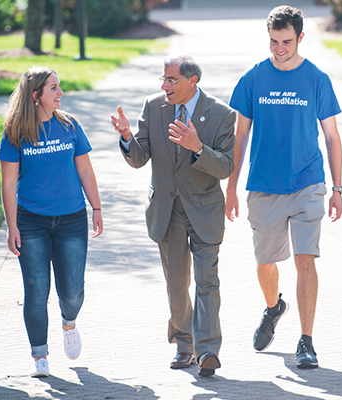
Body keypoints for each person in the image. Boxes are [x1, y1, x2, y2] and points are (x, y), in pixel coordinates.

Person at [226, 5, 342, 369]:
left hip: (308, 182)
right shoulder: (252, 79)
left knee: (305, 259)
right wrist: (231, 187)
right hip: (263, 184)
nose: (279, 48)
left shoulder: (317, 79)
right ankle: (274, 306)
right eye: (274, 41)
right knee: (265, 262)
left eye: (286, 41)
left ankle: (306, 342)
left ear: (301, 38)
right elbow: (240, 136)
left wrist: (337, 187)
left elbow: (332, 136)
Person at [111, 53, 235, 377]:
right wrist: (126, 137)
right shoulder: (153, 108)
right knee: (177, 284)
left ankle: (207, 349)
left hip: (204, 210)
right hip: (167, 211)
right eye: (163, 79)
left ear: (192, 81)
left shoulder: (221, 115)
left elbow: (225, 167)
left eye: (171, 80)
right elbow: (139, 158)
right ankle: (184, 345)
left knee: (207, 280)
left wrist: (198, 147)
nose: (164, 86)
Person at [0, 66, 103, 378]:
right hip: (31, 222)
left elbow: (85, 170)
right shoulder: (15, 132)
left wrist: (96, 207)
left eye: (59, 87)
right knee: (35, 289)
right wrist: (12, 225)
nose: (60, 93)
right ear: (36, 95)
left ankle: (68, 322)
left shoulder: (70, 125)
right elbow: (8, 184)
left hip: (71, 219)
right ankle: (40, 355)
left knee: (72, 292)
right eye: (54, 88)